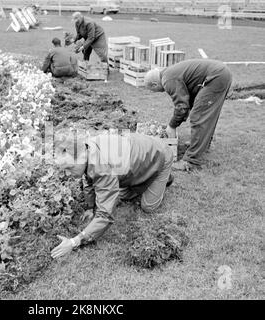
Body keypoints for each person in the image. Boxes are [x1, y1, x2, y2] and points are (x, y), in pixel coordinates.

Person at [51, 131, 174, 259]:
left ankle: (163, 177)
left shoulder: (103, 170)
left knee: (148, 206)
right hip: (140, 153)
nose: (67, 173)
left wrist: (74, 242)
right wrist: (89, 207)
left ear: (81, 157)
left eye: (70, 168)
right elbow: (88, 179)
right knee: (120, 195)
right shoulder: (86, 148)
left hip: (160, 155)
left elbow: (105, 215)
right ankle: (146, 179)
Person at [144, 59, 232, 171]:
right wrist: (181, 116)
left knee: (199, 117)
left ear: (154, 84)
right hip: (219, 74)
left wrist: (172, 126)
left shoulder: (167, 80)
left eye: (153, 90)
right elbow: (187, 100)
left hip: (216, 77)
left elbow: (182, 106)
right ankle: (201, 145)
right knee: (203, 113)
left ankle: (191, 161)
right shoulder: (169, 73)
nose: (157, 92)